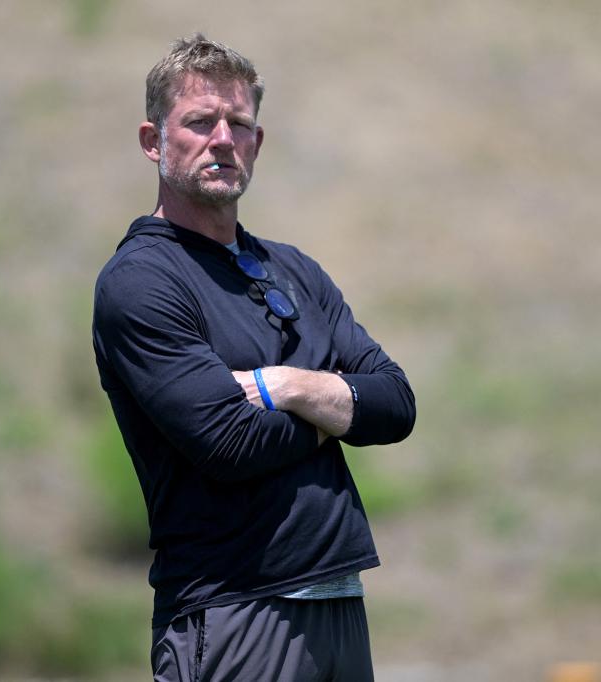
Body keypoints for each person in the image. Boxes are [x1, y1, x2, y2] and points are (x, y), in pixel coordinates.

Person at [91, 34, 416, 681]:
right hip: (235, 610)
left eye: (239, 124)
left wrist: (287, 385)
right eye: (200, 122)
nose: (223, 139)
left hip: (338, 601)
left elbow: (396, 404)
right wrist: (338, 402)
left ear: (257, 144)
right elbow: (230, 442)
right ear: (153, 142)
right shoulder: (143, 281)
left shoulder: (292, 269)